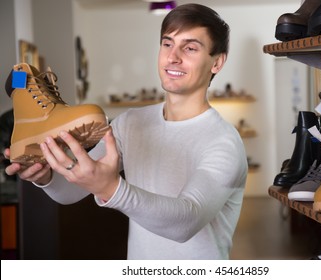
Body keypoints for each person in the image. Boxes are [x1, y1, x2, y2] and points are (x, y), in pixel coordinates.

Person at [5, 3, 248, 259]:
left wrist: (111, 188)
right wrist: (46, 178)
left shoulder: (224, 142)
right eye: (167, 44)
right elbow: (70, 191)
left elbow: (185, 221)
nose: (172, 57)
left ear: (217, 62)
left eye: (189, 48)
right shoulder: (131, 123)